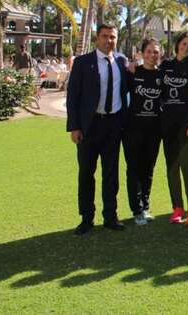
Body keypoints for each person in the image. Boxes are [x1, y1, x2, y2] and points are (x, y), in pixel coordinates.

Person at [66, 24, 129, 235]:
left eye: (112, 37)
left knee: (111, 174)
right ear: (97, 38)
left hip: (113, 125)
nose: (108, 40)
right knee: (86, 173)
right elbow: (73, 96)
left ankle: (110, 216)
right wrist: (74, 126)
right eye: (105, 36)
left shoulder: (122, 62)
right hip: (89, 126)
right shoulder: (83, 62)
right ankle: (86, 218)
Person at [159, 32, 188, 225]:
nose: (186, 48)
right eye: (184, 44)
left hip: (187, 125)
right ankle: (177, 207)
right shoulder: (166, 65)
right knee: (172, 167)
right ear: (178, 44)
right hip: (168, 124)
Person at [123, 38, 163, 226]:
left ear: (160, 54)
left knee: (148, 170)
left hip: (154, 130)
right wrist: (130, 65)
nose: (152, 55)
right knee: (134, 169)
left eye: (155, 52)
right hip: (133, 129)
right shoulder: (132, 73)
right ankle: (136, 209)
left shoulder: (162, 75)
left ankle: (145, 206)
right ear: (141, 53)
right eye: (148, 51)